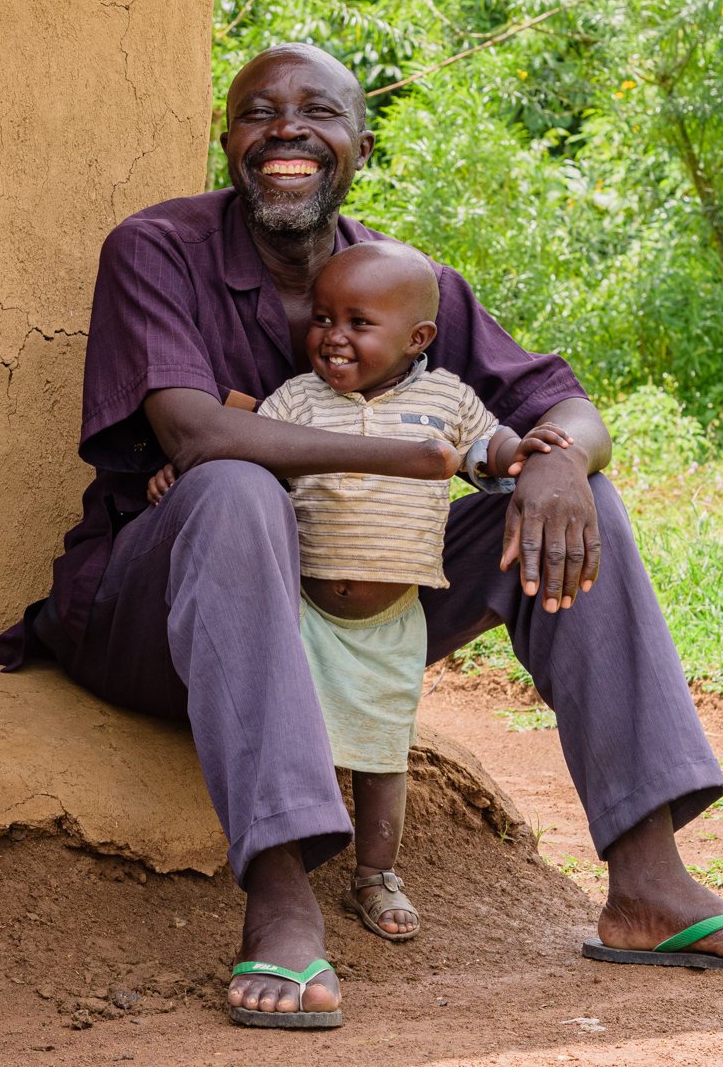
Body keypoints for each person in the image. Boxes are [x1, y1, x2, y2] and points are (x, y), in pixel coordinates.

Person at [0, 42, 723, 1031]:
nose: (286, 128)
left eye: (316, 112)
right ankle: (279, 893)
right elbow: (191, 430)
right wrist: (401, 454)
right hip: (154, 618)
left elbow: (560, 401)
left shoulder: (406, 282)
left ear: (359, 145)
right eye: (258, 112)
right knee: (230, 485)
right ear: (228, 142)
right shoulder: (156, 250)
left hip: (351, 608)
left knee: (581, 500)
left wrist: (558, 456)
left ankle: (646, 879)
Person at [147, 239, 570, 959]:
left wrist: (524, 454)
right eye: (321, 319)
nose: (333, 337)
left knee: (380, 751)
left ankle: (376, 872)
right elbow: (244, 450)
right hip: (305, 610)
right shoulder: (297, 398)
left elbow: (486, 448)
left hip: (388, 619)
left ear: (418, 339)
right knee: (295, 732)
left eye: (358, 323)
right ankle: (290, 871)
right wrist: (179, 472)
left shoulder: (446, 400)